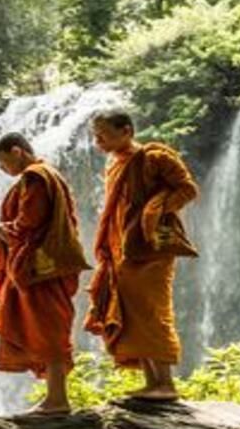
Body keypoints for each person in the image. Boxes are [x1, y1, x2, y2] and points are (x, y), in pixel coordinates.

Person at [84, 109, 200, 402]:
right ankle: (152, 382)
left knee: (151, 311)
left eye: (104, 135)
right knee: (132, 314)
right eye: (96, 136)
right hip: (122, 251)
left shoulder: (154, 158)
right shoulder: (114, 164)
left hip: (150, 250)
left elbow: (187, 189)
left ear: (127, 131)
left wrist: (157, 209)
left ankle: (166, 384)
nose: (98, 142)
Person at [0, 133, 90, 415]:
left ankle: (57, 399)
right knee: (48, 326)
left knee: (48, 328)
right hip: (49, 266)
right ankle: (55, 396)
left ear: (17, 151)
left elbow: (30, 222)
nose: (1, 169)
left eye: (3, 161)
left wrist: (5, 230)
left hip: (40, 269)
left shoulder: (35, 177)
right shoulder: (49, 174)